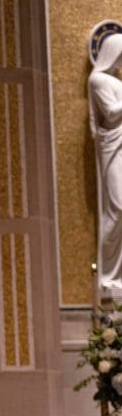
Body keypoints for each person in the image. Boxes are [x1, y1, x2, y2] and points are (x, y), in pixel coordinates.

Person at [89, 33, 122, 291]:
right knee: (118, 207)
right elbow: (111, 113)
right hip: (113, 146)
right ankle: (109, 275)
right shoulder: (98, 79)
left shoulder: (115, 80)